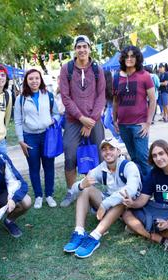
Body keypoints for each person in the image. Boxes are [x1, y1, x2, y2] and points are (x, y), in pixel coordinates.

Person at [63, 137, 141, 258]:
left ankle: (95, 237)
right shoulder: (102, 167)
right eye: (104, 149)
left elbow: (131, 189)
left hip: (130, 208)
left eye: (111, 148)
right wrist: (81, 185)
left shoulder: (129, 166)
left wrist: (105, 204)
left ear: (119, 151)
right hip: (110, 206)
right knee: (86, 188)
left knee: (122, 198)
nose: (107, 152)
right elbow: (73, 190)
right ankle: (79, 231)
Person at [121, 140, 168, 256]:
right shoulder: (153, 173)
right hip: (158, 211)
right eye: (154, 155)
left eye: (161, 153)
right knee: (126, 214)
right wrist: (132, 203)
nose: (158, 158)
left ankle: (137, 229)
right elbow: (143, 199)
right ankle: (159, 239)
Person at [59, 35, 106, 207]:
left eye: (84, 46)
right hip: (74, 120)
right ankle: (71, 191)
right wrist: (81, 118)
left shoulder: (97, 69)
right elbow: (65, 97)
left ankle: (95, 192)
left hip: (94, 119)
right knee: (70, 154)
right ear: (75, 49)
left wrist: (91, 120)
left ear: (89, 48)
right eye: (78, 47)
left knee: (101, 154)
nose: (82, 50)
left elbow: (101, 96)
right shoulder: (67, 69)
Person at [14, 69, 60, 209]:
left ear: (41, 80)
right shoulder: (21, 98)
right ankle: (39, 196)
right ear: (26, 81)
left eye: (37, 78)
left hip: (47, 136)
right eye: (31, 79)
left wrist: (52, 120)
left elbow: (57, 114)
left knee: (49, 166)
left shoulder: (49, 95)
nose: (34, 81)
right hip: (30, 137)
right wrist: (21, 140)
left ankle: (49, 195)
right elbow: (18, 121)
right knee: (34, 168)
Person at [113, 45, 156, 177]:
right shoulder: (116, 77)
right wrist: (115, 120)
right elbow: (115, 100)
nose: (129, 59)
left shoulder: (145, 76)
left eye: (132, 56)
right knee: (134, 159)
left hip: (139, 125)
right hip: (123, 125)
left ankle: (150, 188)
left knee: (143, 157)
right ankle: (140, 186)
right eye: (127, 56)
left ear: (137, 58)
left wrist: (148, 123)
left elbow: (153, 100)